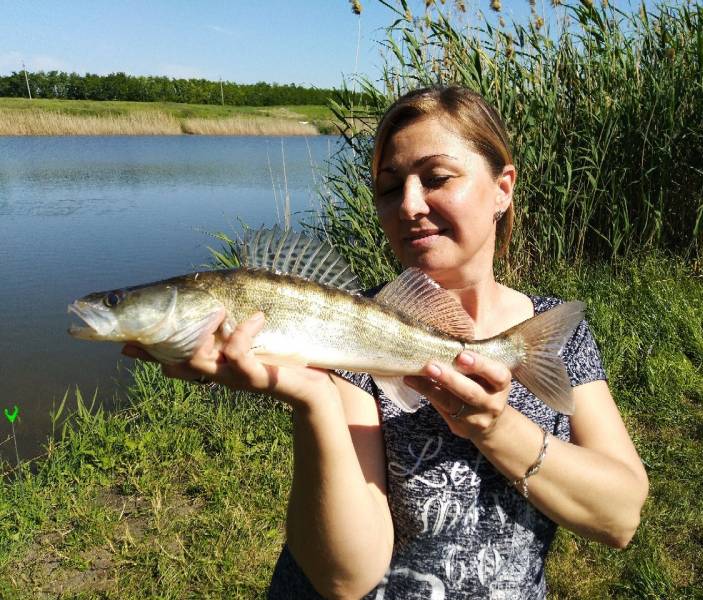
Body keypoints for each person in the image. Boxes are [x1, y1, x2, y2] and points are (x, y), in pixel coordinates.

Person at [125, 86, 649, 599]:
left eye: (437, 178)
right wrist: (315, 398)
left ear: (502, 188)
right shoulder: (341, 339)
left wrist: (492, 426)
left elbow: (621, 517)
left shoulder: (553, 329)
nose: (409, 205)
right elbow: (345, 580)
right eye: (389, 187)